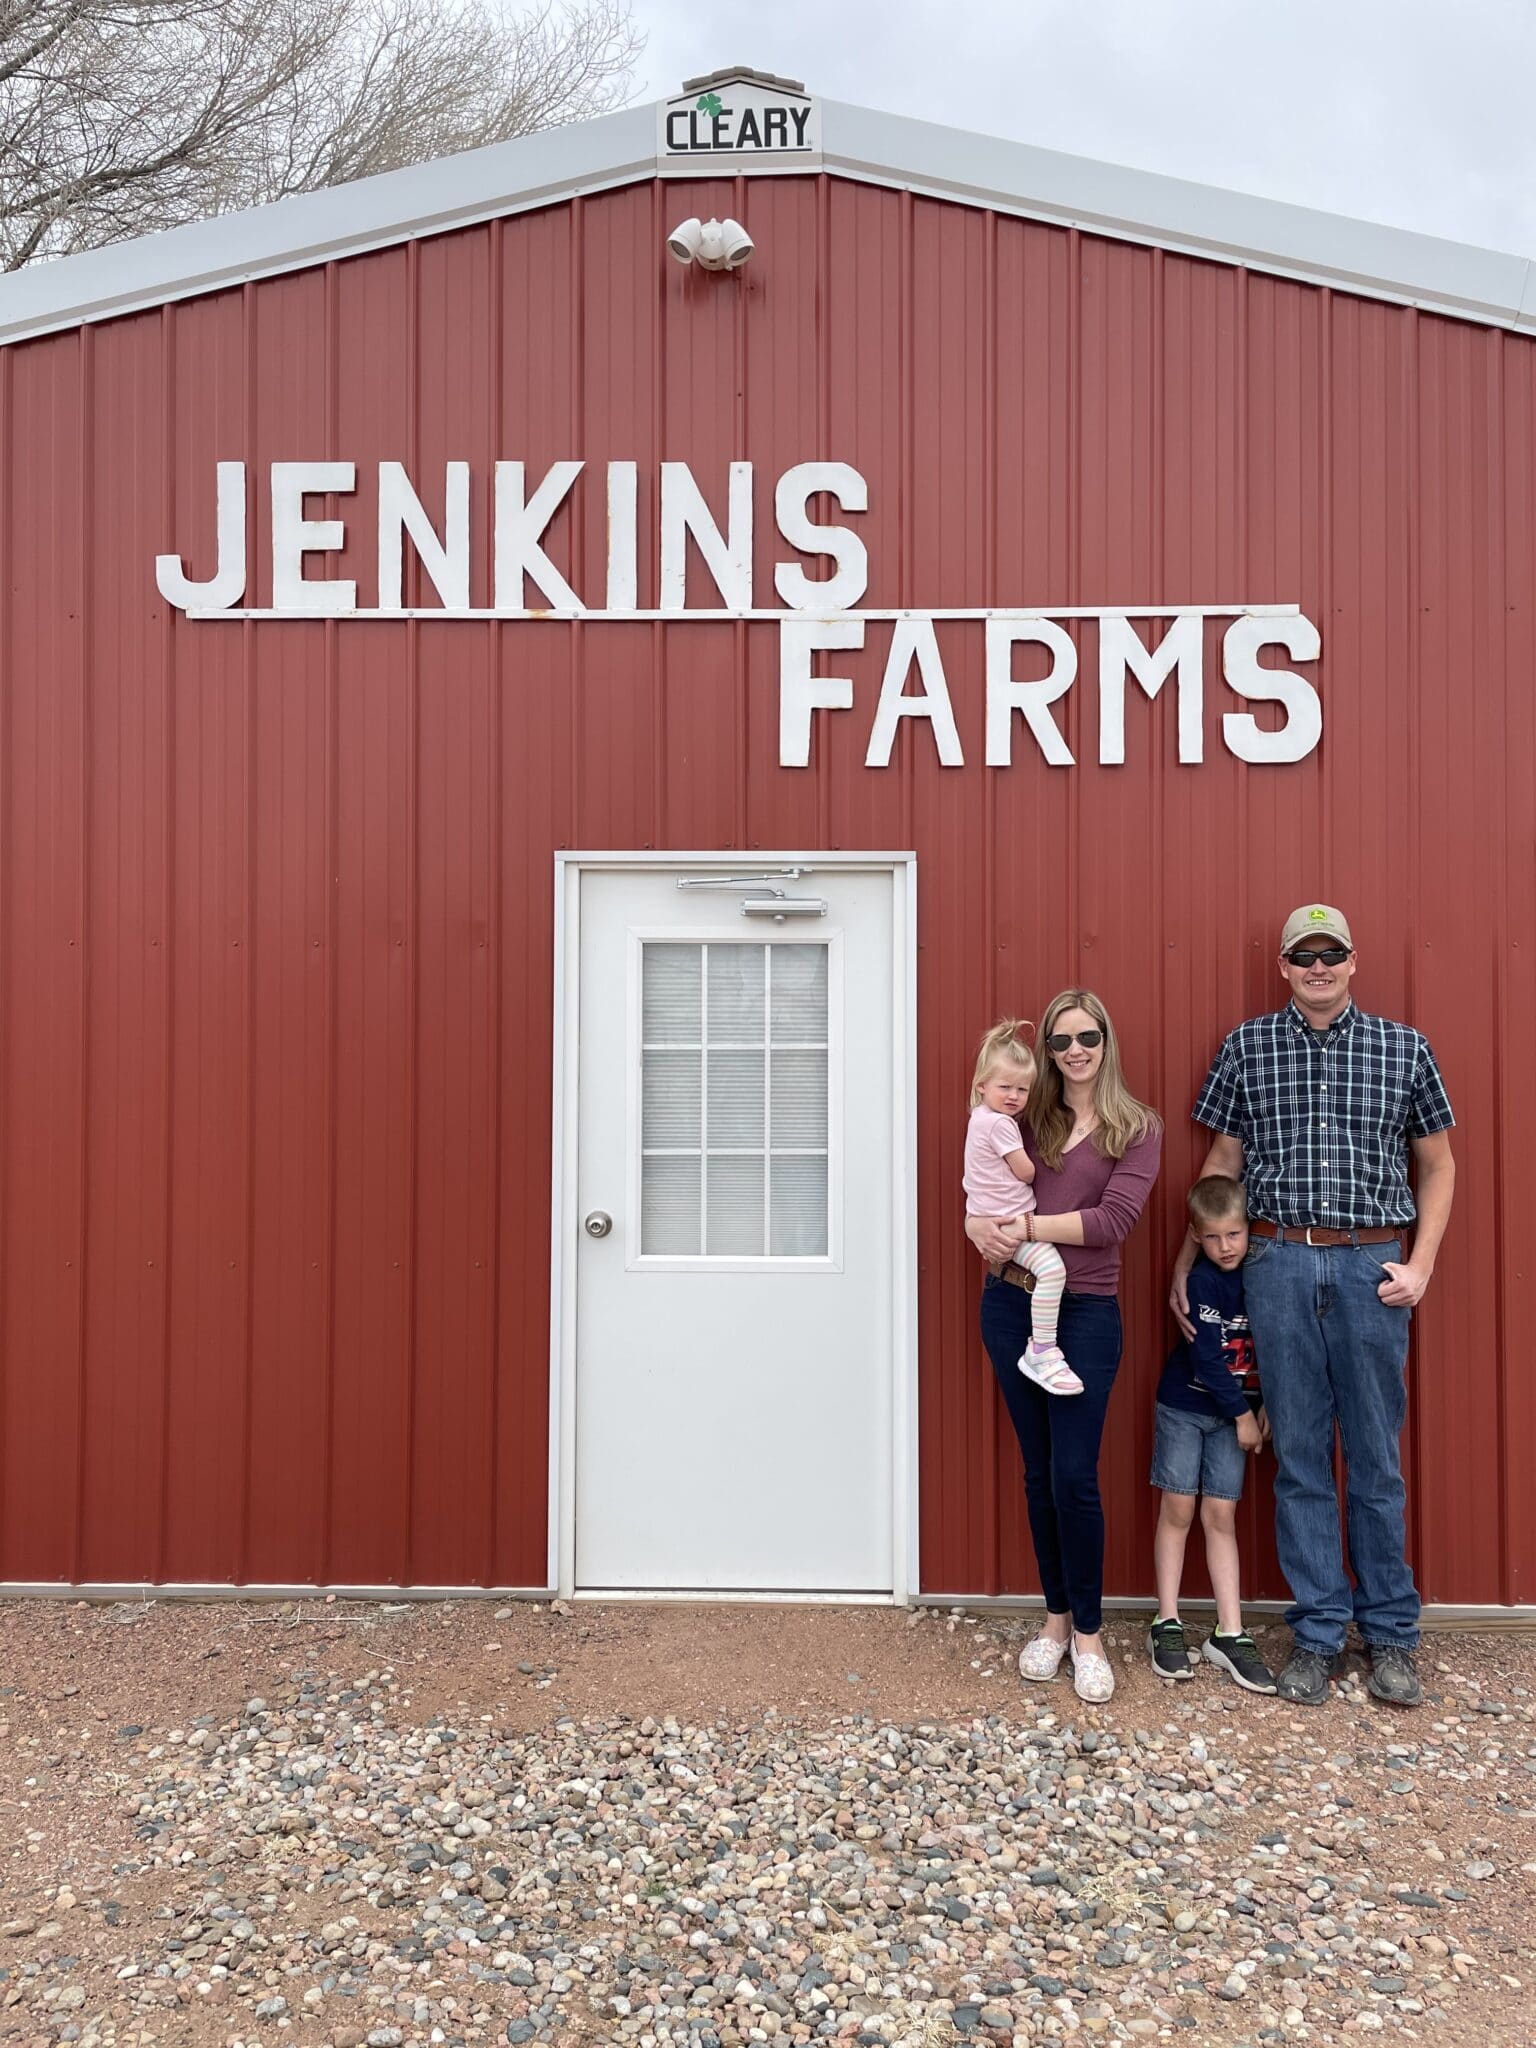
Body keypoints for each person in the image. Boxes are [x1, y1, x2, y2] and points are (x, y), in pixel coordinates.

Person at [1170, 903, 1456, 1709]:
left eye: (1331, 954)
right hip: (1277, 1262)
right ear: (1286, 967)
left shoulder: (1404, 1049)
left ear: (1353, 961)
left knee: (1374, 1458)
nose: (1318, 966)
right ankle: (1320, 1635)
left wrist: (1422, 1262)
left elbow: (1437, 1165)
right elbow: (1221, 1163)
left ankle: (1392, 1637)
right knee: (1298, 1459)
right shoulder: (1247, 1046)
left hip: (1372, 1264)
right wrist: (1187, 1260)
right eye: (1304, 955)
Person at [966, 988, 1161, 1704]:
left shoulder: (1135, 1128)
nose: (1074, 1051)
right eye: (1060, 1041)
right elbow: (987, 1192)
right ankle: (1053, 1620)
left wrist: (1022, 1231)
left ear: (1106, 1041)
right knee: (1038, 1473)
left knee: (1076, 1476)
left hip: (1084, 1316)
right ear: (1046, 1050)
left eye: (1087, 1037)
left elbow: (1111, 1222)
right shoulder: (1026, 1118)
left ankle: (1089, 1634)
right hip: (1008, 1304)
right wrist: (974, 1225)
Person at [1149, 1175, 1276, 1694]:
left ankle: (1229, 1631)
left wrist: (1263, 1404)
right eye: (1214, 1237)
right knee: (1178, 1509)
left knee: (1221, 1514)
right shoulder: (1201, 1281)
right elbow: (1206, 1354)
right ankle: (1167, 1621)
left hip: (1236, 1416)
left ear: (1249, 1230)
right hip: (1186, 1407)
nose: (1226, 1247)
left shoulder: (1262, 1277)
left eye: (1235, 1234)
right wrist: (1243, 1414)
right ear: (1195, 1236)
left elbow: (1271, 1344)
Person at [964, 1019, 1082, 1395]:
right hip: (1011, 1222)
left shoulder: (980, 1118)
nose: (1014, 1096)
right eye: (1004, 1087)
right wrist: (1034, 1165)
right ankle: (1043, 1348)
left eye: (1022, 1089)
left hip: (991, 1217)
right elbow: (1027, 1171)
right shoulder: (1001, 1126)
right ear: (981, 1085)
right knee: (1052, 1271)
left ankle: (1043, 1348)